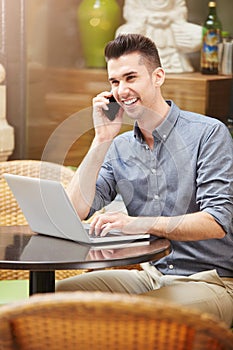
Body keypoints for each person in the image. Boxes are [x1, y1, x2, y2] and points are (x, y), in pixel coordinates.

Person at [56, 34, 233, 327]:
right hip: (151, 277)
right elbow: (76, 210)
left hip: (212, 282)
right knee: (51, 299)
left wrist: (138, 223)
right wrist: (101, 138)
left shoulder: (208, 134)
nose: (122, 90)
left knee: (132, 319)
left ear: (157, 77)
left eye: (131, 77)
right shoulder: (119, 146)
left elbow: (216, 223)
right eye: (114, 82)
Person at [115, 0, 202, 73]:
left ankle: (175, 61)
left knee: (200, 34)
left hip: (170, 27)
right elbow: (129, 11)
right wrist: (148, 17)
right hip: (145, 27)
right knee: (123, 35)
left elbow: (181, 9)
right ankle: (143, 61)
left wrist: (169, 16)